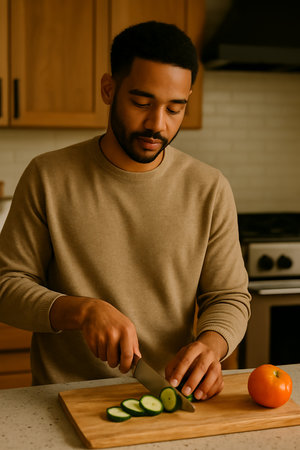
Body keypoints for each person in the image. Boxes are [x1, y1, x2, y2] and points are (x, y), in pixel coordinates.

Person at [0, 21, 251, 400]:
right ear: (108, 89)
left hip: (168, 397)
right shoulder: (47, 176)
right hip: (62, 400)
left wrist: (212, 347)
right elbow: (6, 287)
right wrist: (81, 311)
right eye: (141, 103)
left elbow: (229, 296)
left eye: (174, 109)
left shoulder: (209, 188)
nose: (157, 124)